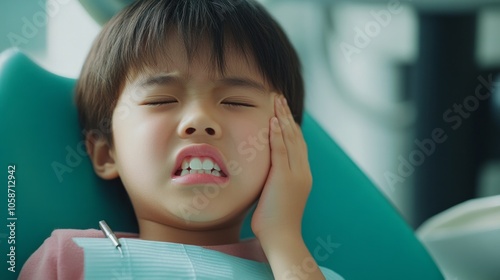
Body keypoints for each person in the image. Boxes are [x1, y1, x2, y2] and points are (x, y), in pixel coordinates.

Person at [19, 0, 343, 279]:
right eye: (161, 100)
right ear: (106, 152)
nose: (200, 120)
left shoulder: (301, 270)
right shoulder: (70, 259)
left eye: (236, 102)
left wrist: (283, 235)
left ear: (286, 148)